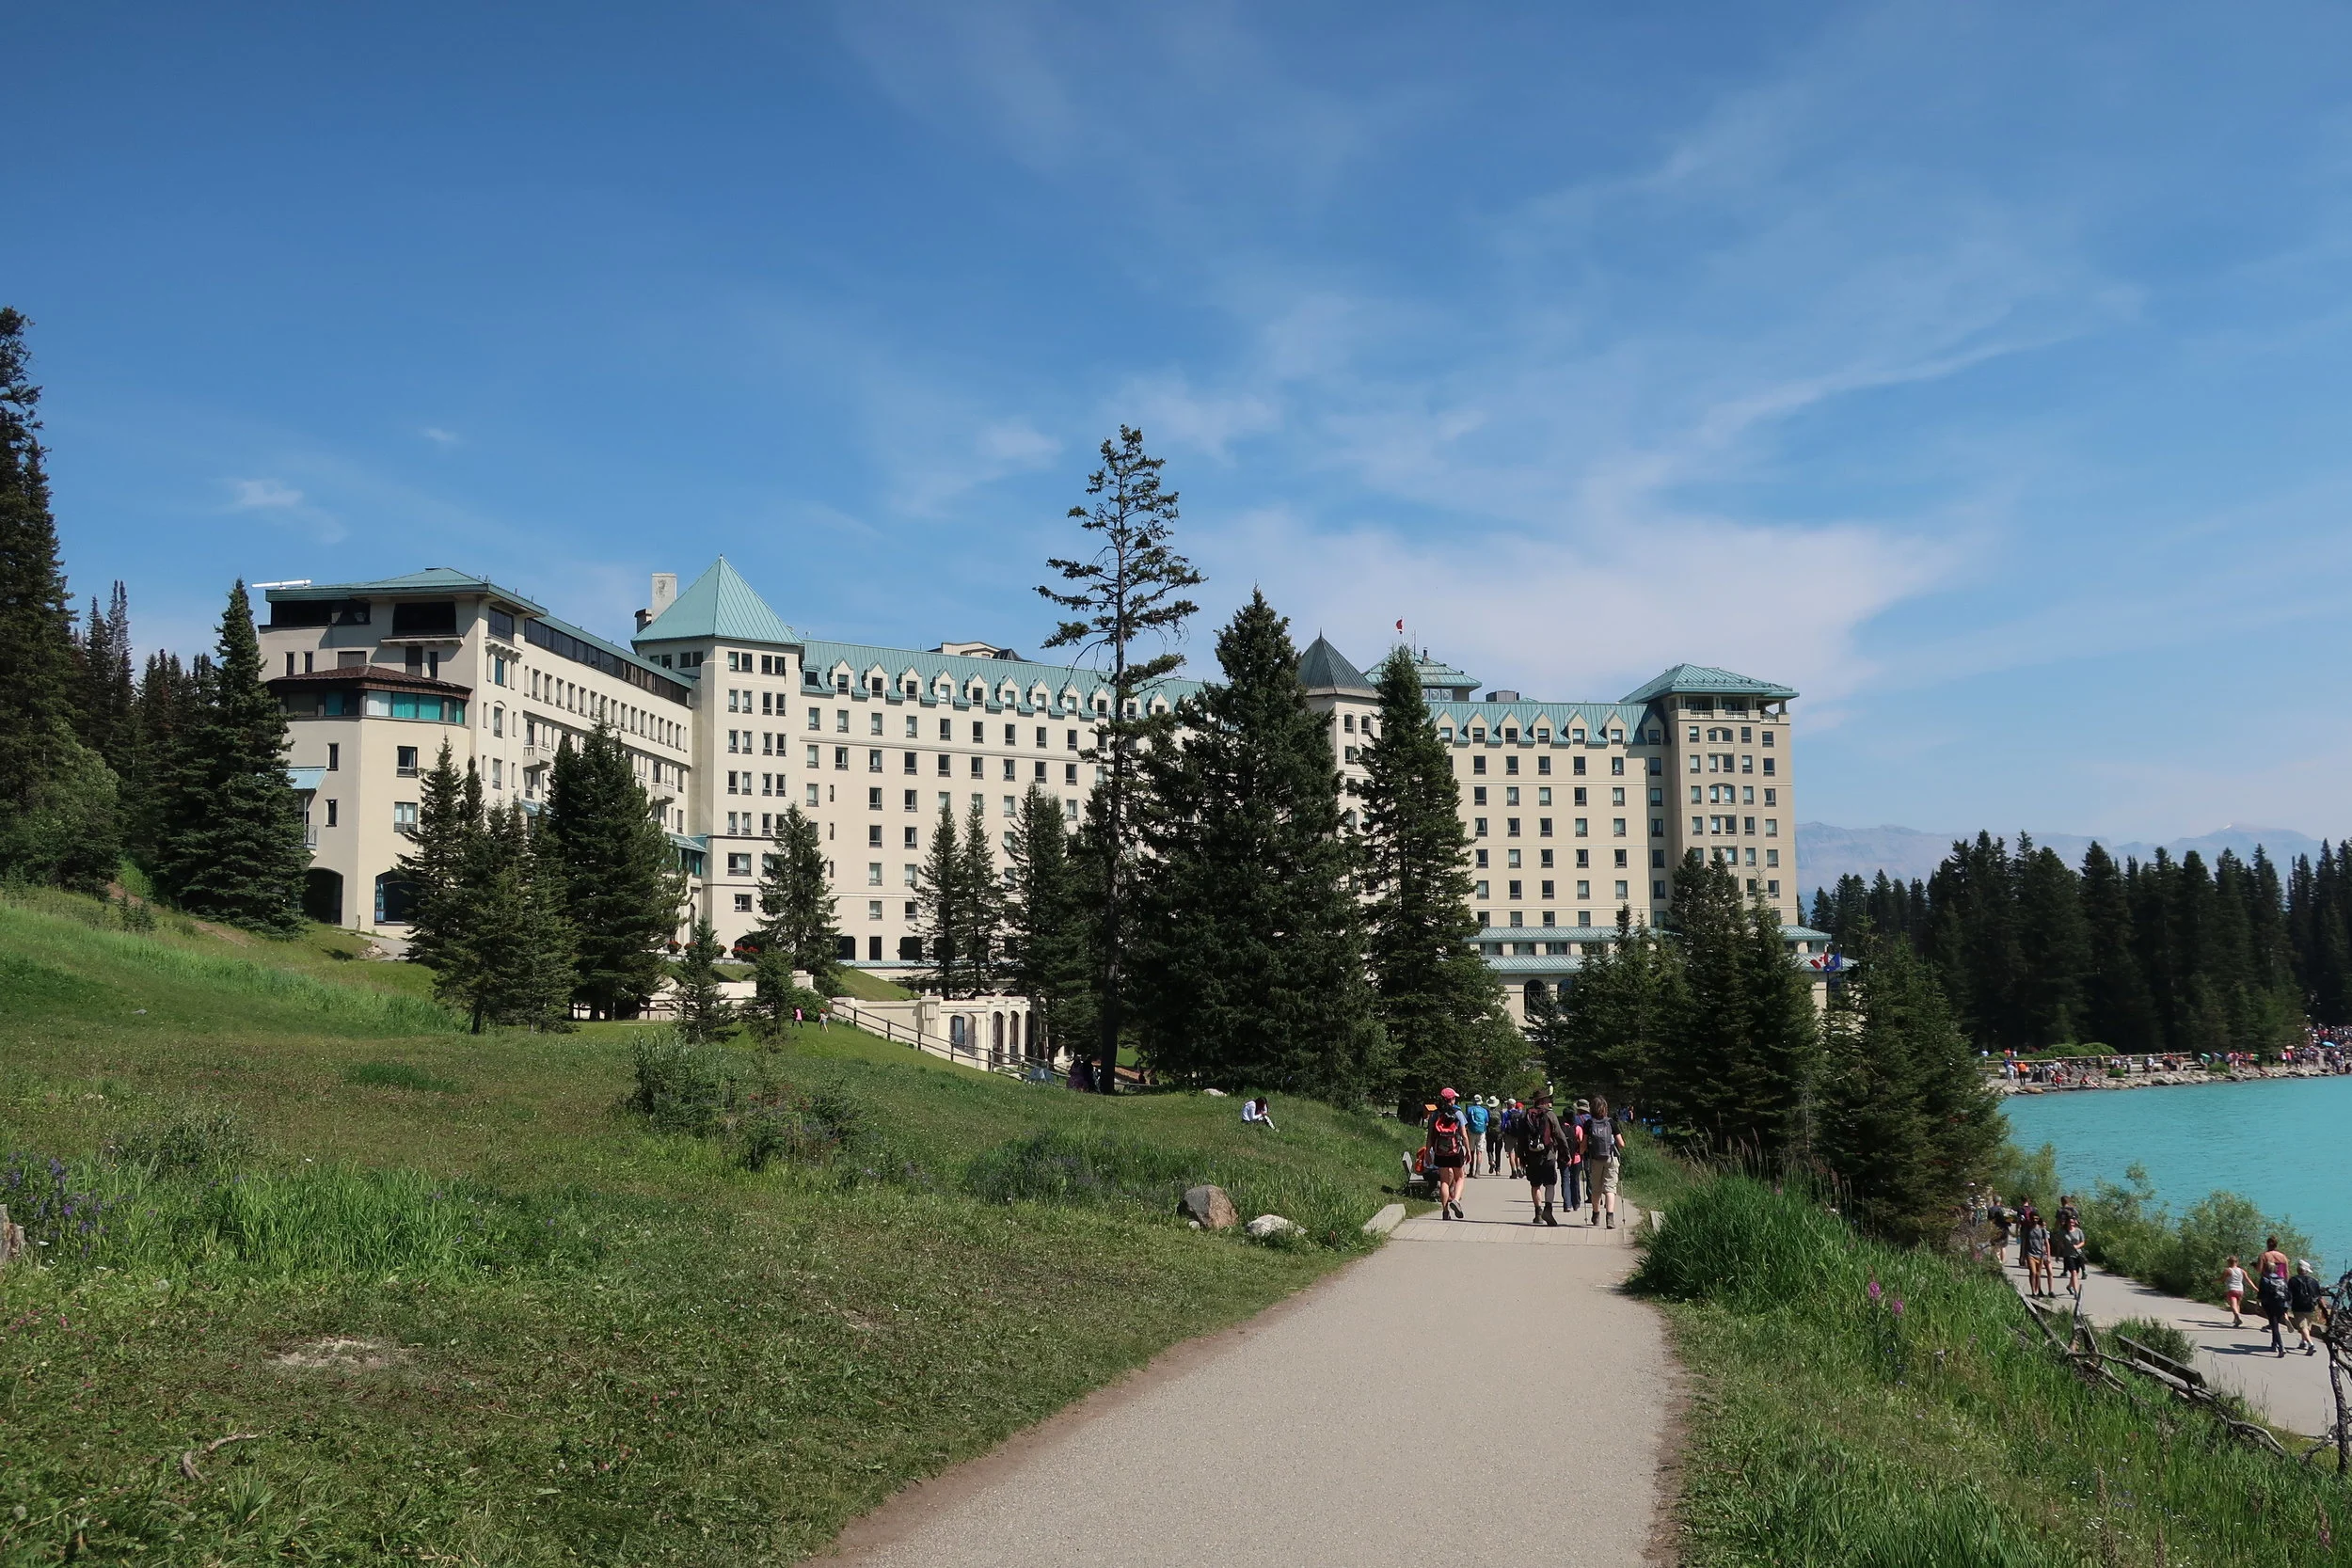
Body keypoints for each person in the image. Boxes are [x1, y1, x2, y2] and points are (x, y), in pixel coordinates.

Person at [1517, 1091, 1566, 1226]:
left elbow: (1520, 1139)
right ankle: (1548, 1209)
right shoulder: (1550, 1115)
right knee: (1550, 1183)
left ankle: (1538, 1214)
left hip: (1531, 1155)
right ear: (1543, 1101)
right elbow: (1559, 1135)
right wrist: (1565, 1153)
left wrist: (1521, 1157)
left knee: (1535, 1184)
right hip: (1548, 1154)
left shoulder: (1525, 1116)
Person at [1422, 1089, 1472, 1220]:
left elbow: (1430, 1135)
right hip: (1455, 1150)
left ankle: (1445, 1211)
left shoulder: (1435, 1114)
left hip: (1440, 1151)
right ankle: (1455, 1200)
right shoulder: (1458, 1113)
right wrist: (1468, 1150)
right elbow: (1464, 1134)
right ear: (1452, 1100)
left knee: (1444, 1181)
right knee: (1460, 1177)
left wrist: (1428, 1152)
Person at [1583, 1094, 1621, 1228]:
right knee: (1610, 1188)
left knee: (1596, 1188)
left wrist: (1582, 1152)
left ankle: (1596, 1214)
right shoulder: (1611, 1122)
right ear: (1605, 1108)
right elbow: (1621, 1144)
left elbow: (1583, 1144)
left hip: (1595, 1159)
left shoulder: (1588, 1124)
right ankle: (1610, 1217)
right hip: (1610, 1157)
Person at [2256, 1237, 2293, 1356]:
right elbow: (2287, 1273)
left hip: (2269, 1287)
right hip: (2281, 1285)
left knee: (2273, 1321)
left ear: (2267, 1244)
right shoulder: (2283, 1257)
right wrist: (2285, 1287)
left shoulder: (2264, 1256)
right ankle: (2274, 1343)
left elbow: (2259, 1270)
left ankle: (2280, 1346)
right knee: (2274, 1320)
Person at [2287, 1260, 2326, 1354]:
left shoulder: (2293, 1280)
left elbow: (2288, 1294)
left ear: (2298, 1269)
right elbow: (2318, 1295)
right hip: (2310, 1306)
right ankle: (2303, 1342)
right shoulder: (2313, 1281)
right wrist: (2323, 1308)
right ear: (2307, 1271)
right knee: (2307, 1325)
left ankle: (2311, 1344)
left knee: (2302, 1326)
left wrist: (2286, 1305)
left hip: (2298, 1305)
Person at [2021, 1211, 2052, 1298]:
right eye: (2033, 1218)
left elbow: (2047, 1243)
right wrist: (2022, 1257)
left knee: (2038, 1274)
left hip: (2040, 1255)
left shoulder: (2042, 1229)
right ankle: (2033, 1292)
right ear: (2030, 1218)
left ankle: (2037, 1290)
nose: (2035, 1220)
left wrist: (2049, 1256)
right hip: (2030, 1254)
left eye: (2036, 1218)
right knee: (2033, 1272)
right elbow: (2024, 1243)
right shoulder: (2027, 1229)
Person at [2058, 1220, 2088, 1301]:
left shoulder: (2078, 1231)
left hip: (2078, 1254)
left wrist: (2077, 1247)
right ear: (2067, 1223)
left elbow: (2083, 1242)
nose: (2072, 1223)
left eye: (2073, 1222)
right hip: (2068, 1255)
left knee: (2076, 1274)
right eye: (2070, 1222)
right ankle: (2076, 1292)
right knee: (2073, 1272)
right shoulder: (2063, 1232)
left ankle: (2069, 1287)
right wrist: (2064, 1249)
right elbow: (2060, 1242)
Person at [1462, 1095, 1489, 1178]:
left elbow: (1466, 1120)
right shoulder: (1484, 1110)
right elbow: (1486, 1121)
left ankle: (1471, 1170)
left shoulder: (1470, 1109)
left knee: (1472, 1151)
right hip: (1481, 1132)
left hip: (1471, 1132)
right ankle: (1478, 1171)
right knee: (1479, 1152)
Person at [2221, 1255, 2247, 1328]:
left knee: (2233, 1305)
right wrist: (2256, 1289)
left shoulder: (2228, 1270)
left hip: (2231, 1289)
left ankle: (2238, 1319)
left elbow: (2222, 1279)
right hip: (2240, 1290)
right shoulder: (2242, 1271)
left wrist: (2215, 1281)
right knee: (2237, 1305)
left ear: (2228, 1262)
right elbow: (2248, 1280)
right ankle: (2236, 1320)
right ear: (2237, 1262)